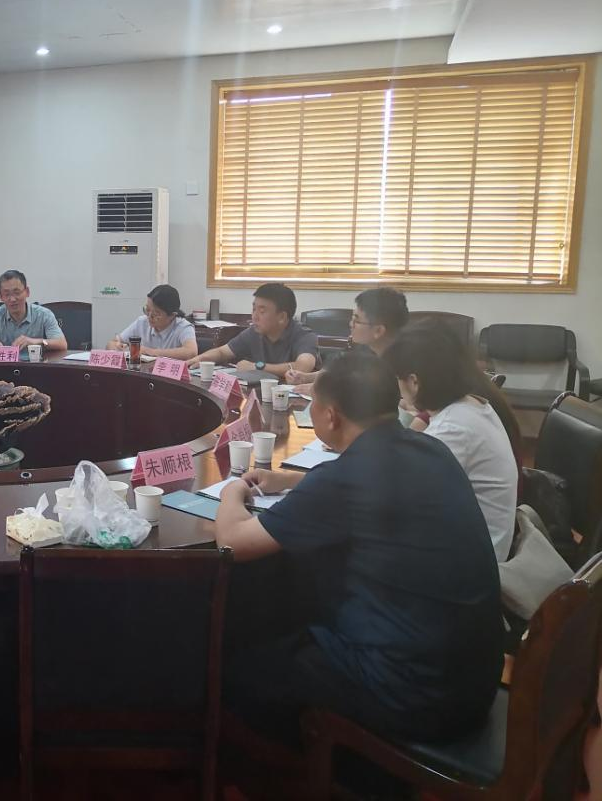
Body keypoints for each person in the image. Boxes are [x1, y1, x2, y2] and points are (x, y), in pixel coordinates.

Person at [215, 352, 502, 743]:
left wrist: (232, 492)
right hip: (471, 680)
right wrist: (290, 481)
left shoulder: (347, 479)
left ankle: (305, 764)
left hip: (410, 692)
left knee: (240, 665)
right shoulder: (430, 449)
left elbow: (232, 542)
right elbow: (368, 489)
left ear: (331, 416)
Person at [384, 321, 520, 561]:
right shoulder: (470, 405)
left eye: (397, 379)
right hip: (469, 546)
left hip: (471, 564)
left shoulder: (453, 429)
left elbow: (398, 498)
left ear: (414, 382)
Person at [285, 287, 409, 389]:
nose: (350, 324)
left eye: (356, 320)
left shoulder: (405, 361)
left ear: (378, 331)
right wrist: (306, 377)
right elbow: (336, 370)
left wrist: (323, 391)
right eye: (352, 318)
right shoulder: (362, 346)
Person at [189, 282, 317, 379]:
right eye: (254, 309)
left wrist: (257, 367)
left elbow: (303, 367)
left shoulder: (304, 335)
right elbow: (222, 352)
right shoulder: (254, 332)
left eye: (262, 311)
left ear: (282, 317)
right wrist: (200, 359)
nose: (254, 316)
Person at [0, 270, 68, 353]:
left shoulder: (44, 314)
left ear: (27, 292)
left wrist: (36, 342)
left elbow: (62, 344)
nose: (12, 299)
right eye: (7, 294)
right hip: (5, 367)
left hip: (36, 367)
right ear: (1, 296)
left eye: (17, 293)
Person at [108, 284, 197, 361]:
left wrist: (149, 352)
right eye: (147, 310)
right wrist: (117, 347)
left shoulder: (183, 327)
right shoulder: (142, 322)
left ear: (172, 315)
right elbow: (112, 342)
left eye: (156, 313)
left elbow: (191, 351)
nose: (149, 316)